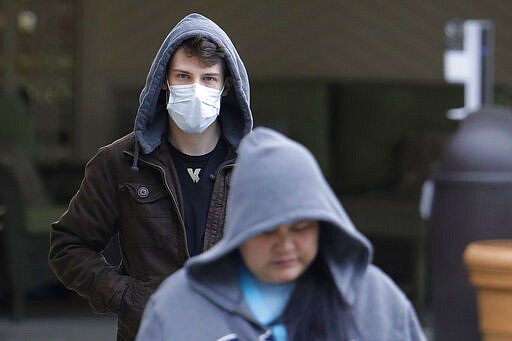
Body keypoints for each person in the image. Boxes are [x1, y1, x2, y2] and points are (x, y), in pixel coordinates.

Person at [48, 13, 252, 340]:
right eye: (184, 76)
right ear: (165, 82)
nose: (196, 89)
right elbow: (69, 246)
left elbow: (291, 250)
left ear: (226, 86)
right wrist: (131, 297)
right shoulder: (119, 162)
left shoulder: (257, 166)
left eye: (208, 78)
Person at [136, 127, 427, 341]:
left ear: (322, 225)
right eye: (267, 232)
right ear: (239, 231)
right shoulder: (178, 306)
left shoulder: (376, 300)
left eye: (300, 228)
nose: (286, 245)